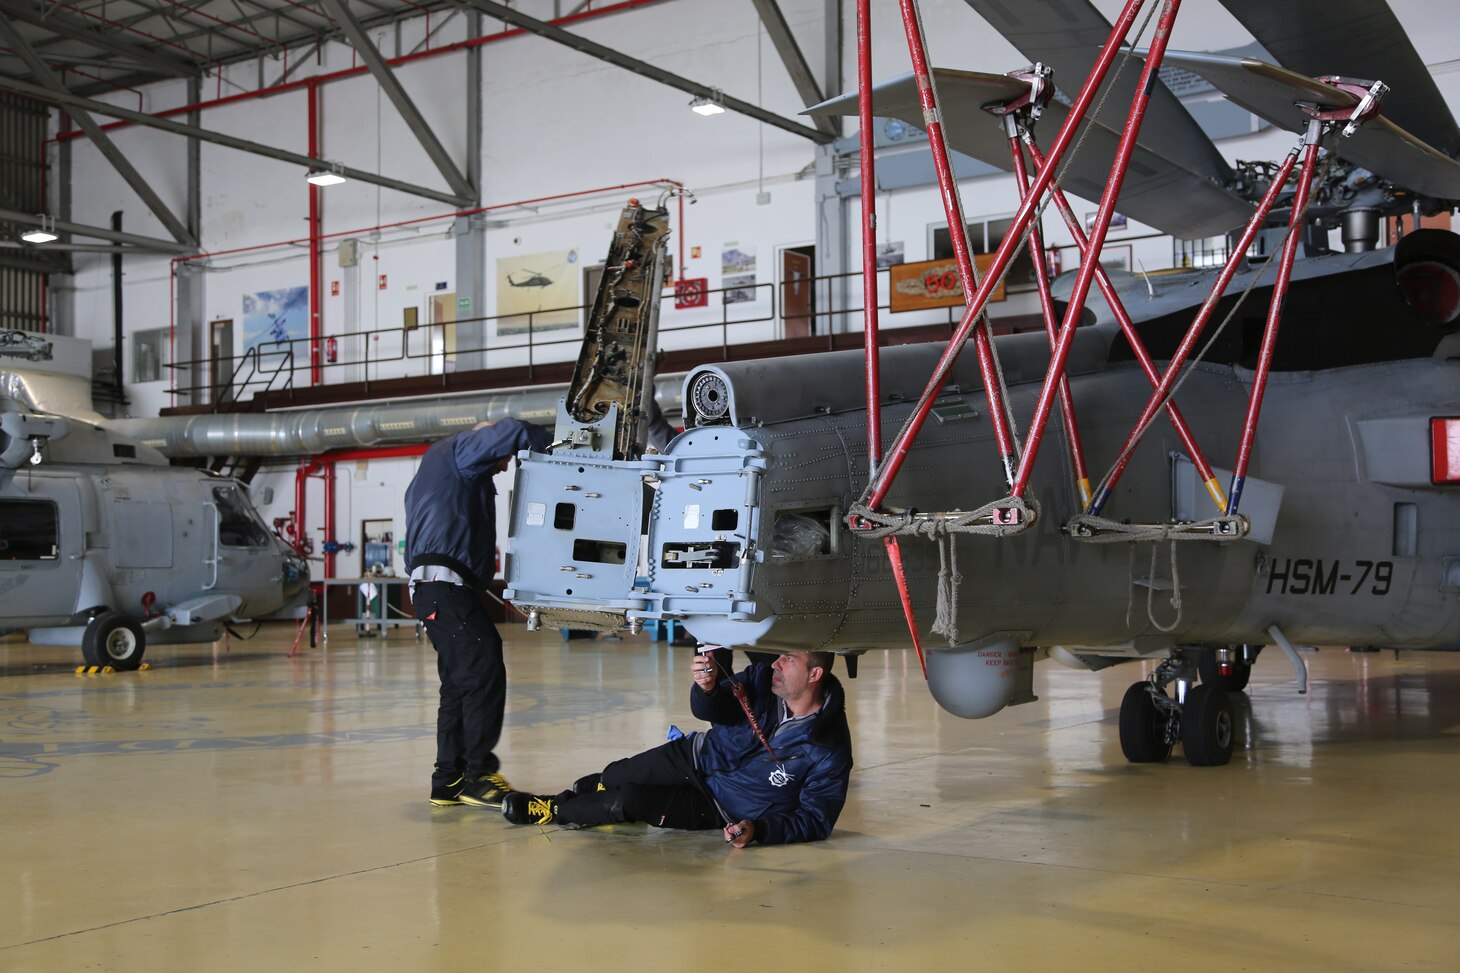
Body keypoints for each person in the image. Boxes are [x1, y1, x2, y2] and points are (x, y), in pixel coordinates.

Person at [502, 649, 853, 846]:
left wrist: (760, 830)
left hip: (718, 807)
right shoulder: (762, 678)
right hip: (696, 754)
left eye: (789, 659)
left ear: (814, 675)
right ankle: (603, 783)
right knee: (615, 775)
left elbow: (816, 820)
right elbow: (711, 711)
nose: (775, 662)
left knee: (628, 801)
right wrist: (708, 687)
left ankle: (554, 808)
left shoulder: (829, 747)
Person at [407, 417, 551, 808]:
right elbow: (516, 429)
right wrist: (564, 445)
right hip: (446, 589)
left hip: (439, 592)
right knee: (483, 670)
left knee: (458, 685)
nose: (506, 463)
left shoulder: (443, 469)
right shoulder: (459, 451)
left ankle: (447, 779)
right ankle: (478, 775)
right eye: (503, 456)